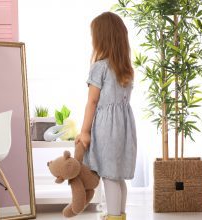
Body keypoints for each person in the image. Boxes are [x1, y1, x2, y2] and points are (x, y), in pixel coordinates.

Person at [76, 12, 137, 220]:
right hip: (125, 127)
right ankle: (119, 215)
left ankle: (113, 216)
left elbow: (92, 102)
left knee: (109, 176)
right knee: (118, 176)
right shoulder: (126, 69)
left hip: (106, 128)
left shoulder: (99, 67)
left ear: (101, 38)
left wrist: (84, 131)